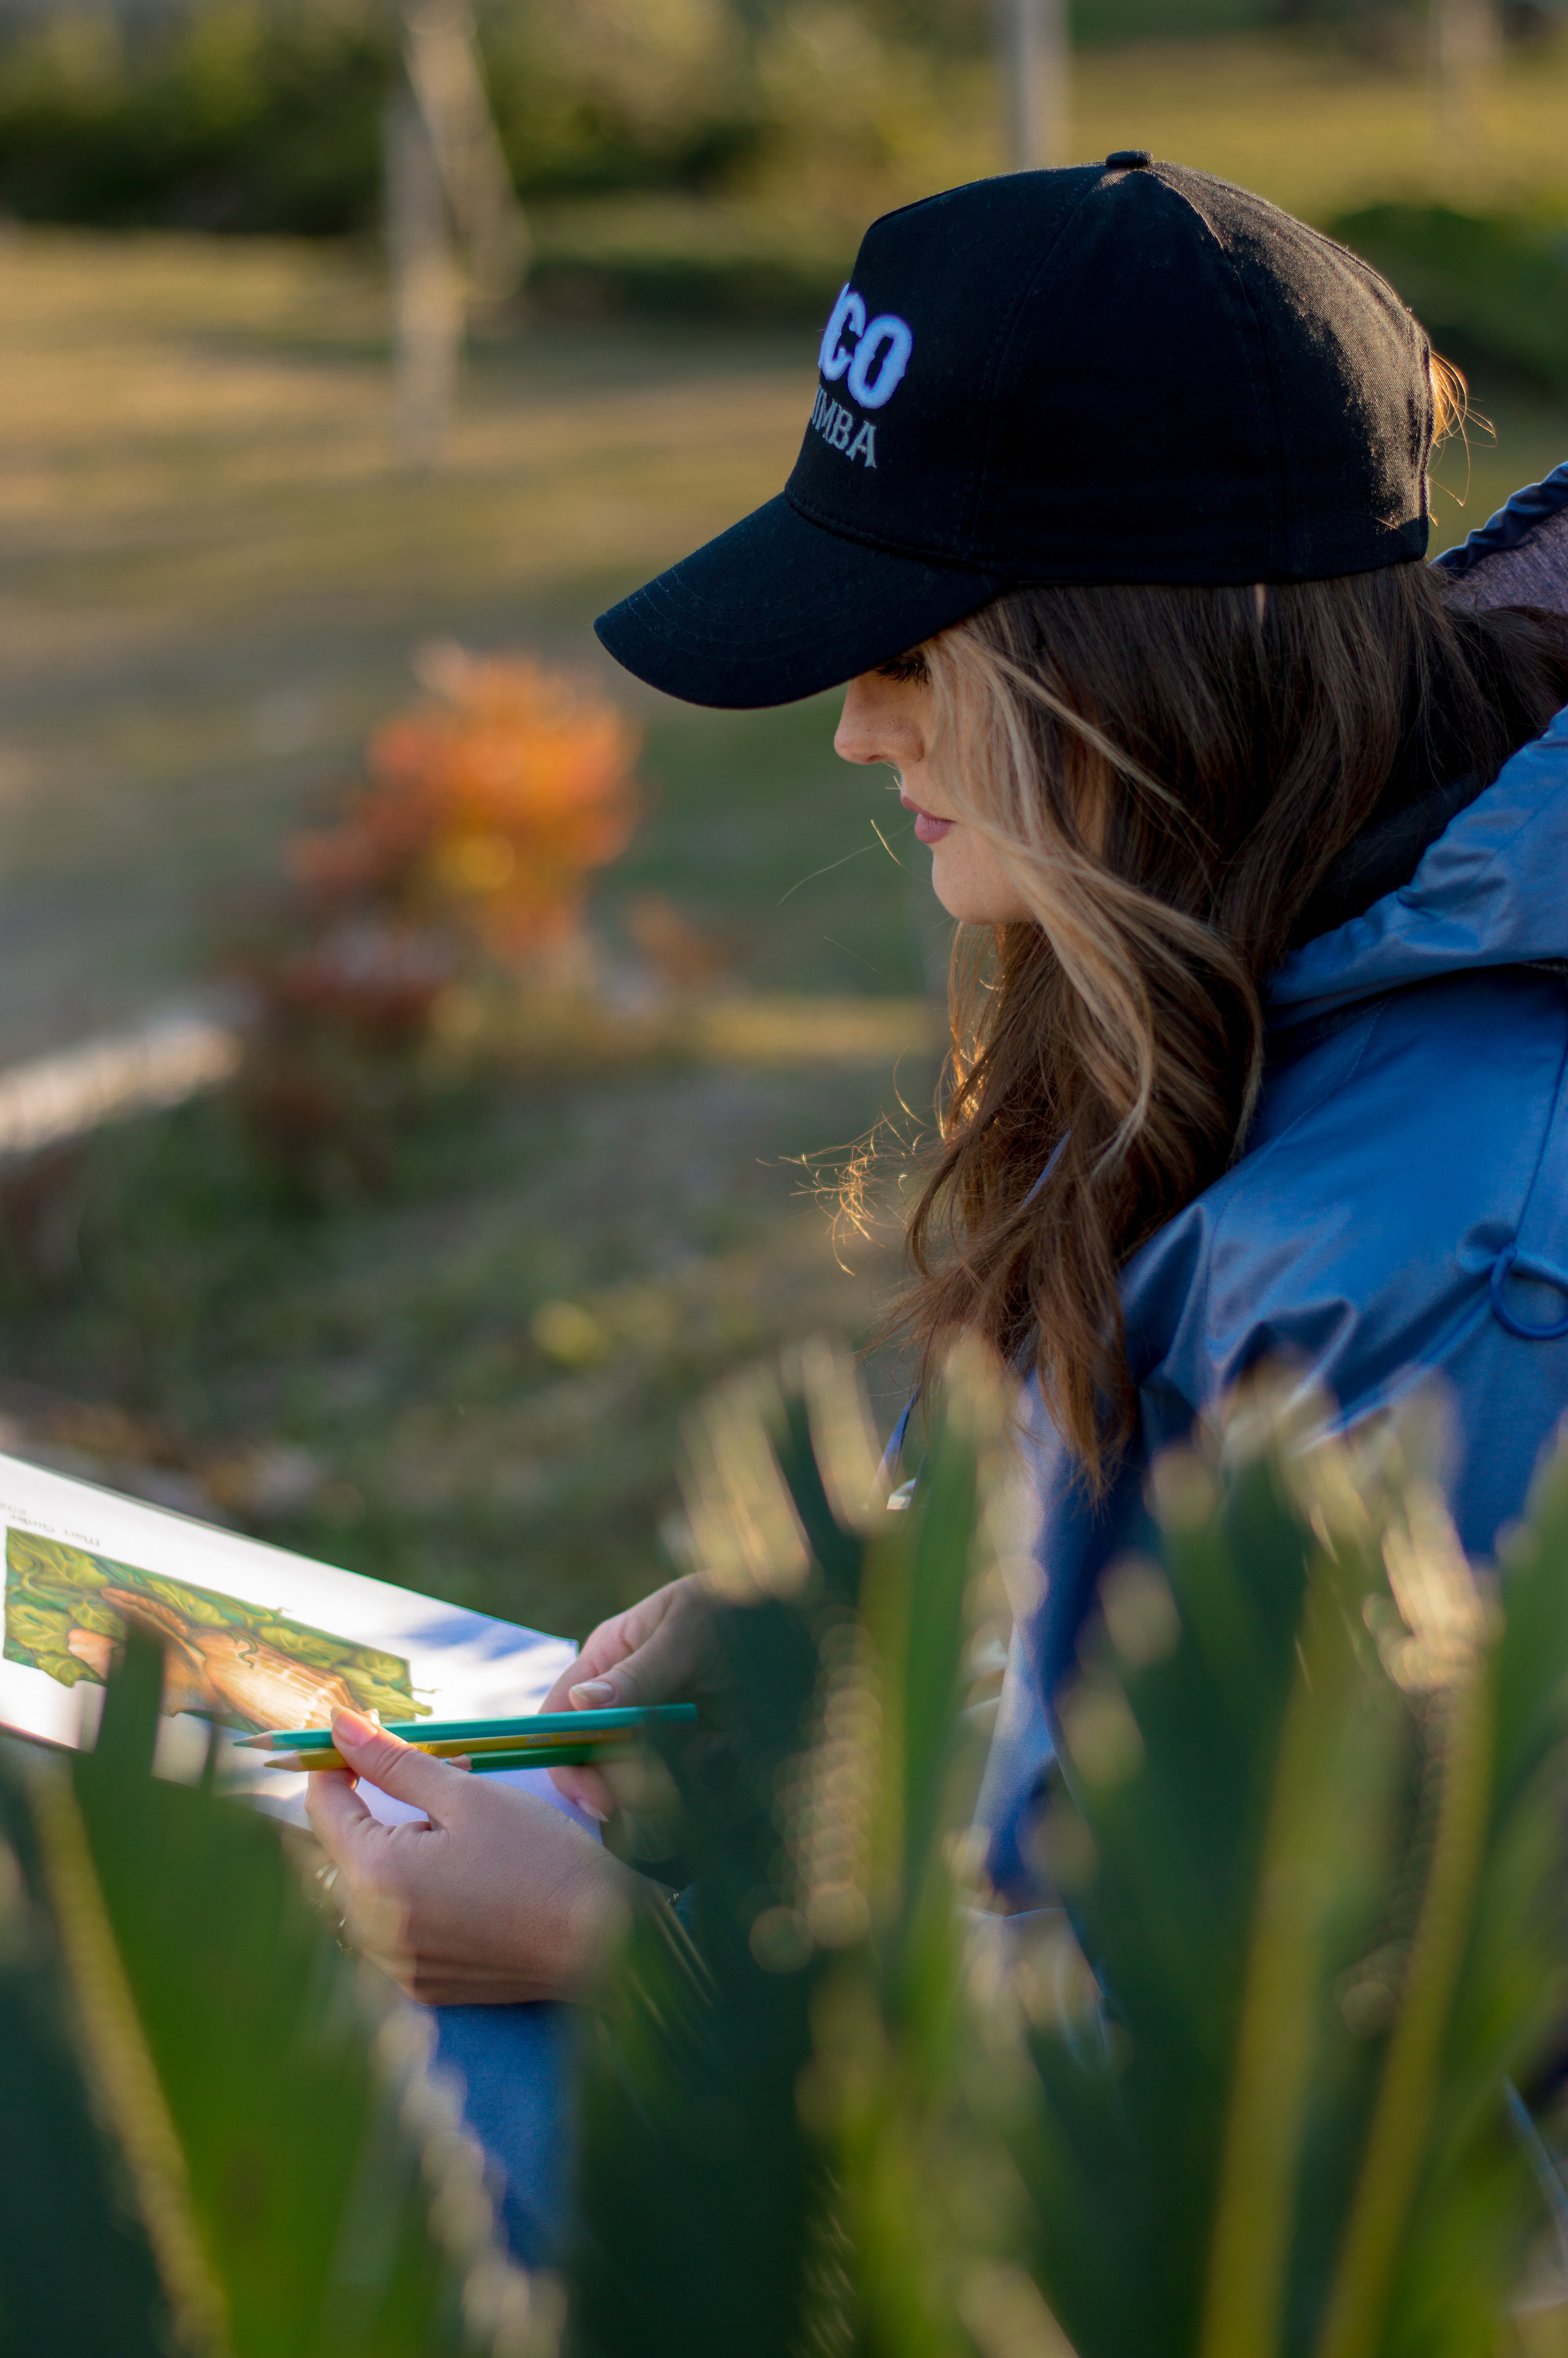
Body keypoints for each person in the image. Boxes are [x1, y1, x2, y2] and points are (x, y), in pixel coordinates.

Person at [304, 154, 1568, 2256]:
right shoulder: (1208, 973)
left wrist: (642, 1971)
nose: (851, 721)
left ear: (1131, 669)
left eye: (912, 642)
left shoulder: (1472, 1273)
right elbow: (1123, 1658)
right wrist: (855, 1644)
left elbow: (1321, 2132)